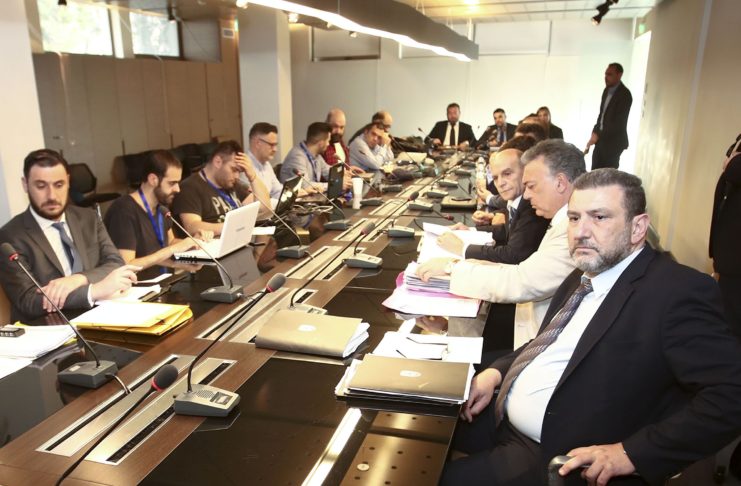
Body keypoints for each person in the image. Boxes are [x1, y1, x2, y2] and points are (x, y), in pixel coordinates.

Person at [440, 169, 741, 486]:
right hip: (501, 415)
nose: (580, 232)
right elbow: (545, 343)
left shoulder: (677, 292)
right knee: (417, 417)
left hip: (553, 452)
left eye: (599, 217)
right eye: (574, 218)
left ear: (638, 227)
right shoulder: (585, 272)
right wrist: (497, 372)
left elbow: (732, 395)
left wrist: (631, 454)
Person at [417, 139, 584, 347]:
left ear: (560, 183)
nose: (527, 194)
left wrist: (451, 267)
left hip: (534, 342)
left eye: (531, 186)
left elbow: (522, 282)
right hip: (530, 331)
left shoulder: (576, 231)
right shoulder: (563, 220)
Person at [0, 149, 136, 322]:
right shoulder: (10, 236)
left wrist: (78, 279)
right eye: (41, 186)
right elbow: (28, 300)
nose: (52, 196)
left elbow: (115, 262)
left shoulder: (88, 218)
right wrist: (92, 291)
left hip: (103, 313)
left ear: (68, 182)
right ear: (25, 184)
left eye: (59, 185)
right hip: (52, 326)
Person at [438, 149, 549, 264]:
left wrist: (462, 248)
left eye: (507, 174)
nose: (500, 183)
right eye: (495, 178)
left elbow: (513, 255)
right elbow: (507, 230)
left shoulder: (532, 205)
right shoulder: (515, 200)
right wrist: (470, 230)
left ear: (525, 172)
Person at [104, 150, 210, 269]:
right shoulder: (123, 211)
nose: (178, 189)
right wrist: (172, 250)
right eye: (172, 183)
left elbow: (170, 242)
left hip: (165, 278)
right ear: (153, 179)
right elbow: (126, 265)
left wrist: (194, 242)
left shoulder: (162, 210)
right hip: (140, 280)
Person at [172, 140, 270, 237]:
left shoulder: (232, 183)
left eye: (239, 172)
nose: (237, 176)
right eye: (234, 169)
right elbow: (192, 226)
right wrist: (234, 226)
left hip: (236, 239)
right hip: (212, 244)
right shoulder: (189, 187)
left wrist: (252, 176)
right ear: (218, 162)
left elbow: (264, 208)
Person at [709, 133, 741, 339]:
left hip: (736, 253)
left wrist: (732, 162)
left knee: (733, 318)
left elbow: (734, 170)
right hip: (729, 246)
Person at [585, 62, 633, 169]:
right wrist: (595, 131)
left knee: (608, 174)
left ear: (619, 75)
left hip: (613, 142)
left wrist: (598, 134)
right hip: (601, 141)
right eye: (606, 74)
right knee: (595, 171)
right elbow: (602, 115)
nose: (606, 77)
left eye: (610, 74)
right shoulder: (606, 91)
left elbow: (618, 123)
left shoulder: (625, 95)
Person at [280, 122, 332, 189]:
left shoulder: (317, 156)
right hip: (299, 195)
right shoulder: (297, 157)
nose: (328, 144)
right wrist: (332, 185)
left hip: (311, 195)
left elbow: (329, 172)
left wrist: (341, 176)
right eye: (328, 141)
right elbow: (306, 186)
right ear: (321, 143)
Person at [243, 122, 284, 201]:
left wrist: (295, 193)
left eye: (276, 145)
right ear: (258, 143)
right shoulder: (244, 167)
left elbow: (277, 191)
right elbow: (255, 201)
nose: (275, 149)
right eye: (271, 145)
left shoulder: (267, 164)